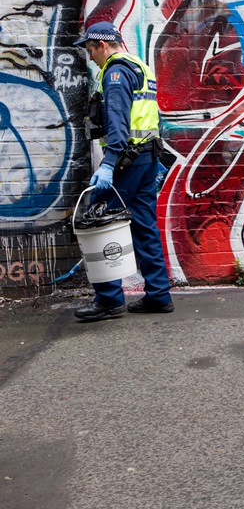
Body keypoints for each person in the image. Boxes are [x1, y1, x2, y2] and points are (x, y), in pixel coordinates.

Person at [72, 21, 175, 322]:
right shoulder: (139, 66)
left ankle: (108, 300)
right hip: (145, 158)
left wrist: (108, 163)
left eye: (91, 50)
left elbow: (117, 122)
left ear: (102, 45)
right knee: (144, 225)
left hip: (125, 161)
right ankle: (158, 294)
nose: (90, 58)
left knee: (100, 221)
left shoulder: (115, 73)